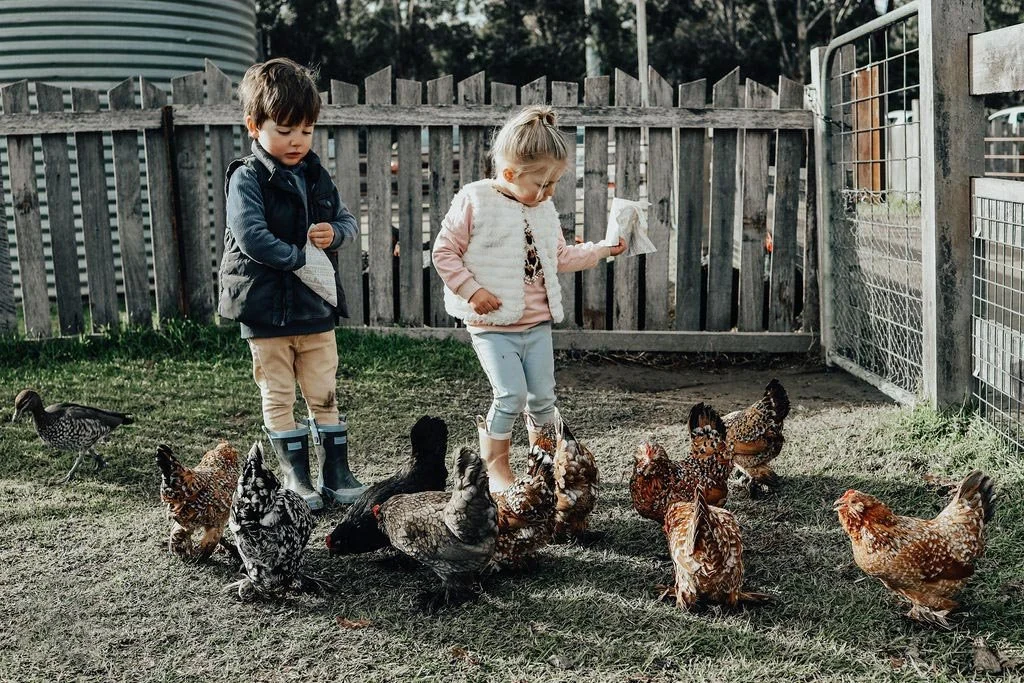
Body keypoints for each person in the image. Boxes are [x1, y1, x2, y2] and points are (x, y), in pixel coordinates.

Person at [432, 105, 627, 492]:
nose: (550, 191)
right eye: (542, 183)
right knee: (510, 395)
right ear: (508, 174)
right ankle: (497, 473)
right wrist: (473, 290)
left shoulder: (543, 210)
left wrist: (603, 249)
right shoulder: (475, 201)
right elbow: (443, 252)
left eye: (554, 182)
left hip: (536, 324)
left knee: (542, 399)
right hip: (492, 326)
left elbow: (560, 257)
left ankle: (544, 469)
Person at [218, 57, 365, 510]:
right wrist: (300, 258)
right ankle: (296, 477)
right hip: (266, 311)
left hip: (314, 308)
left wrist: (334, 234)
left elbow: (346, 221)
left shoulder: (316, 173)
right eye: (284, 130)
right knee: (278, 394)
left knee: (323, 390)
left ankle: (336, 474)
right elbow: (251, 237)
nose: (297, 140)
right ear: (253, 125)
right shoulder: (247, 177)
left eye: (305, 129)